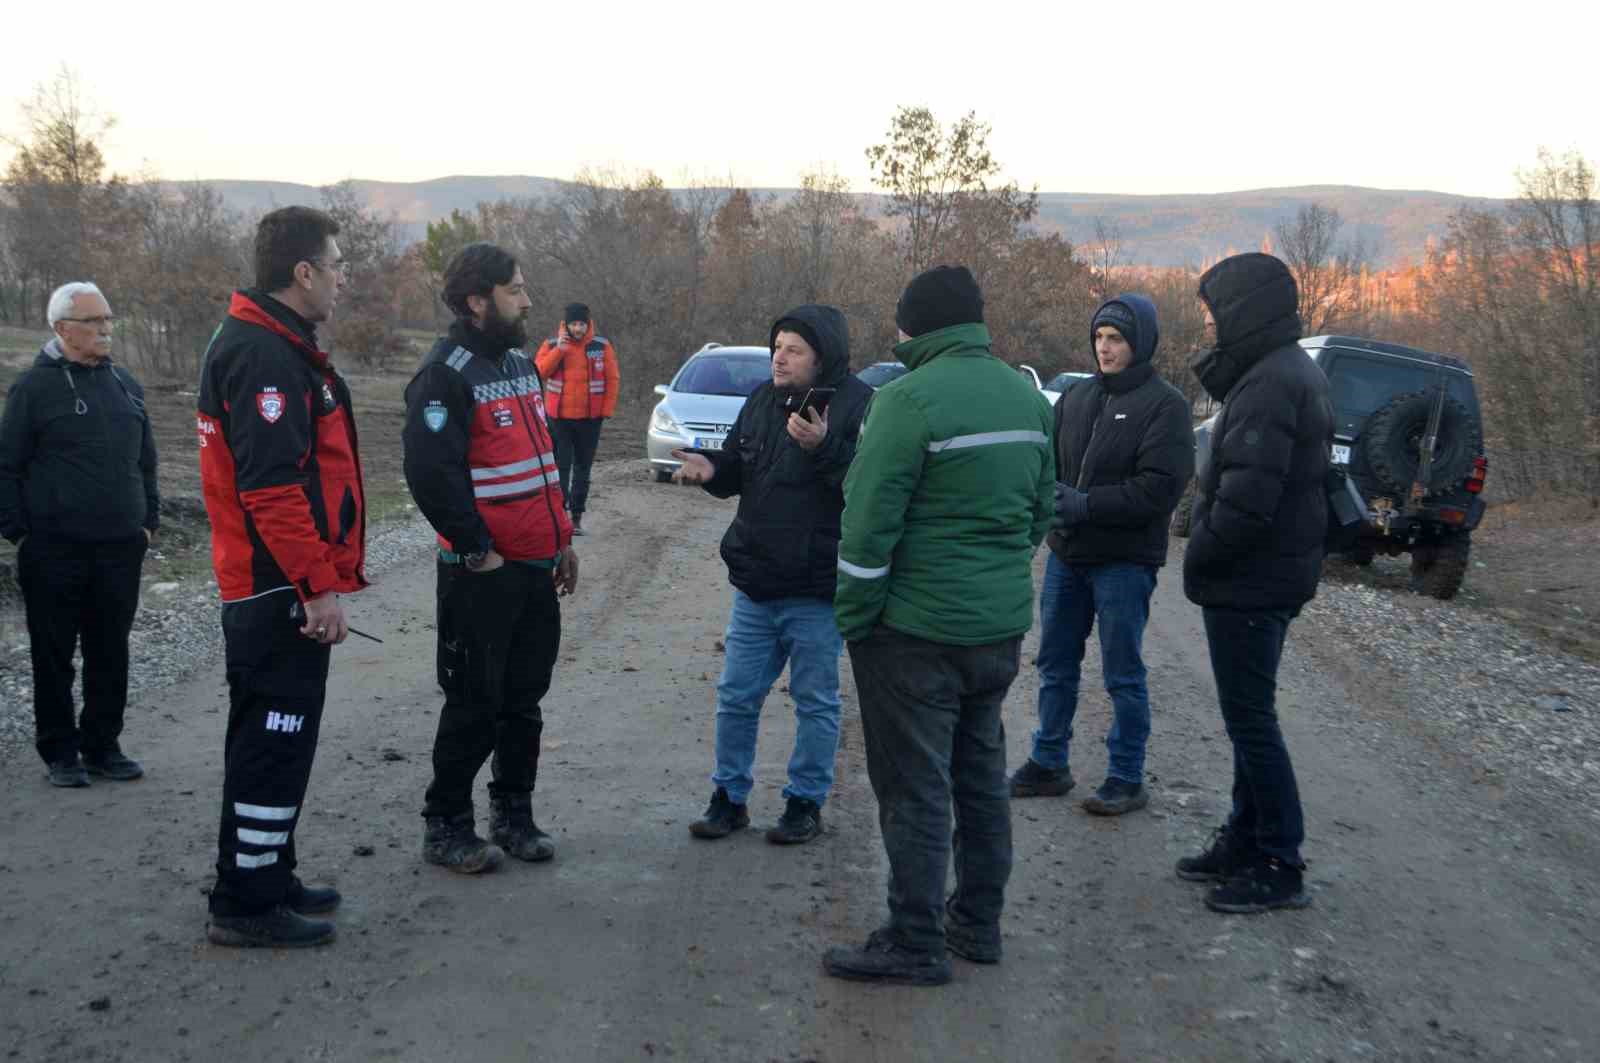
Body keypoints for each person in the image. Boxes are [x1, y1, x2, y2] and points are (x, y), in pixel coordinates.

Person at [822, 266, 1055, 986]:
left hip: (913, 634)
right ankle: (977, 924)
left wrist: (855, 620)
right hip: (995, 631)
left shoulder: (905, 400)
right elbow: (1039, 514)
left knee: (914, 785)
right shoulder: (1029, 397)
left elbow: (866, 529)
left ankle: (915, 938)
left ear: (913, 327)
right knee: (980, 776)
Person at [197, 206, 366, 948]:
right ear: (302, 273)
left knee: (273, 738)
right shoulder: (264, 354)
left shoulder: (276, 342)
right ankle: (247, 901)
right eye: (335, 265)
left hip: (271, 585)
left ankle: (267, 869)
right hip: (275, 589)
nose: (342, 278)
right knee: (274, 735)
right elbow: (271, 488)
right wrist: (316, 585)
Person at [404, 243, 579, 875]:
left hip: (535, 568)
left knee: (523, 699)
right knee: (474, 701)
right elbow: (430, 474)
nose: (528, 300)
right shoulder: (442, 375)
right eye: (516, 290)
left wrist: (562, 541)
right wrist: (475, 549)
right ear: (478, 300)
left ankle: (514, 814)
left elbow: (541, 461)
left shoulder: (519, 363)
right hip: (482, 574)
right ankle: (447, 824)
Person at [673, 305, 871, 846]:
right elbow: (737, 466)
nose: (779, 357)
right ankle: (728, 799)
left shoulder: (859, 406)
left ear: (822, 356)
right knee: (736, 695)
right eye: (777, 346)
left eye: (794, 349)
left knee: (815, 702)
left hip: (816, 589)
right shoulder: (761, 400)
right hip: (756, 582)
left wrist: (822, 446)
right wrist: (712, 470)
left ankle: (804, 803)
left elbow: (869, 485)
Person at [1178, 252, 1331, 914]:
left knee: (1251, 720)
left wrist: (1201, 556)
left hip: (1253, 578)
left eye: (1215, 312)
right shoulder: (1280, 369)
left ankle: (1279, 858)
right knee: (1248, 717)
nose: (1209, 323)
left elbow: (1247, 499)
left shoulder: (1273, 381)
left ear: (1244, 309)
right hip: (1265, 575)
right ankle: (1245, 837)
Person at [1010, 294, 1194, 815]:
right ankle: (1049, 762)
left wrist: (1089, 504)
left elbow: (1161, 489)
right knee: (1054, 663)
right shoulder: (1076, 397)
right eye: (1099, 339)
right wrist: (1051, 501)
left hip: (1124, 561)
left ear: (1139, 343)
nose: (1105, 348)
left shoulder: (1166, 406)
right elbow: (1049, 464)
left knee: (1122, 672)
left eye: (1116, 339)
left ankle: (1127, 775)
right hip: (1067, 555)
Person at [0, 282, 157, 787]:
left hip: (119, 546)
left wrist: (148, 522)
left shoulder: (125, 383)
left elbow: (146, 458)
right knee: (54, 654)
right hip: (53, 550)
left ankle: (102, 746)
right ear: (63, 329)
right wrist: (19, 532)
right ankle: (60, 753)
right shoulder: (33, 389)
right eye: (94, 321)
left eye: (109, 318)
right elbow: (6, 467)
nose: (106, 328)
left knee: (110, 649)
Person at [534, 303, 619, 534]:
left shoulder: (601, 346)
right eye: (574, 323)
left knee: (583, 468)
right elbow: (539, 373)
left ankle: (577, 517)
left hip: (591, 419)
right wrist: (559, 351)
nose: (578, 328)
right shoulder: (552, 344)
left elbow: (612, 379)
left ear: (588, 323)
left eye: (582, 323)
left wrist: (606, 410)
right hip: (559, 418)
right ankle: (560, 516)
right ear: (567, 324)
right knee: (560, 467)